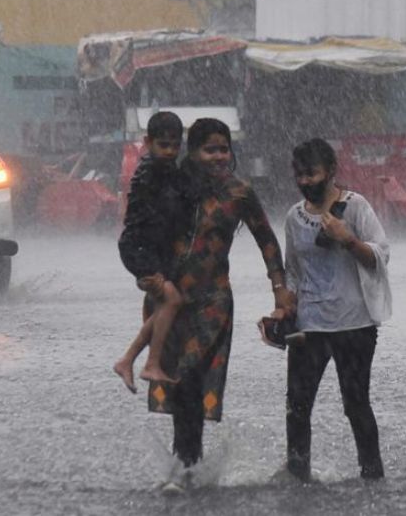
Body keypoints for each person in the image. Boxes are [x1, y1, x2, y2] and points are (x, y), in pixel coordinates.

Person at [149, 117, 294, 491]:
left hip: (213, 304)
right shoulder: (175, 187)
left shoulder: (239, 192)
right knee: (180, 384)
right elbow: (141, 230)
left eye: (223, 149)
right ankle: (189, 464)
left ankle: (183, 467)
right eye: (209, 149)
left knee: (189, 377)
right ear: (192, 153)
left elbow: (267, 240)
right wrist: (144, 273)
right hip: (171, 302)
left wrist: (279, 288)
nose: (218, 157)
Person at [281, 138, 392, 482]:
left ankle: (372, 476)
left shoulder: (355, 207)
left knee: (355, 404)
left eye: (311, 174)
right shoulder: (294, 217)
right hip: (309, 326)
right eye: (299, 175)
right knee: (297, 408)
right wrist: (281, 309)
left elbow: (380, 256)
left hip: (354, 326)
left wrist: (348, 239)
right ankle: (298, 477)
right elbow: (292, 272)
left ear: (331, 172)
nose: (304, 182)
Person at [114, 111, 187, 391]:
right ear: (147, 142)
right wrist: (153, 269)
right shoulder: (151, 172)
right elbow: (154, 223)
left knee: (165, 306)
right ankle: (151, 364)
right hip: (139, 248)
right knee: (172, 299)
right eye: (163, 145)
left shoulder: (165, 170)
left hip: (147, 248)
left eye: (175, 146)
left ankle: (127, 360)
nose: (170, 152)